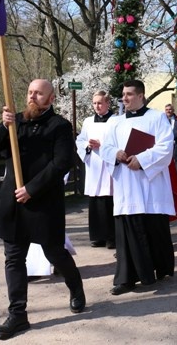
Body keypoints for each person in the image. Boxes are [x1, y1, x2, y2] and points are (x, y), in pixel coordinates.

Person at [0, 79, 85, 340]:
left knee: (55, 253)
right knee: (14, 258)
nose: (32, 96)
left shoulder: (60, 126)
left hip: (43, 202)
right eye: (30, 92)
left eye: (38, 93)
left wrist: (32, 188)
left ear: (50, 98)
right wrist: (3, 125)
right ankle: (18, 315)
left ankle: (76, 288)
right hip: (14, 202)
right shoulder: (15, 121)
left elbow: (61, 163)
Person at [98, 80, 176, 295]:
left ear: (141, 96)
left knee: (153, 226)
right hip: (127, 184)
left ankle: (160, 269)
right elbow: (106, 147)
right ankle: (126, 278)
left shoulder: (157, 117)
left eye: (129, 94)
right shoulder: (115, 122)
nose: (125, 98)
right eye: (123, 94)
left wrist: (141, 159)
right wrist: (116, 153)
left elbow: (166, 147)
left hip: (151, 183)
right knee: (127, 230)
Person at [75, 90, 115, 249]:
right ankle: (98, 236)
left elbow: (119, 142)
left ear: (107, 103)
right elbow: (80, 140)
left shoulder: (116, 120)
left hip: (109, 165)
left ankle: (112, 237)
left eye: (100, 103)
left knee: (110, 201)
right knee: (95, 201)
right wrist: (87, 146)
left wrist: (103, 146)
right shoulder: (88, 121)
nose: (97, 106)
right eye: (94, 103)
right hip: (94, 164)